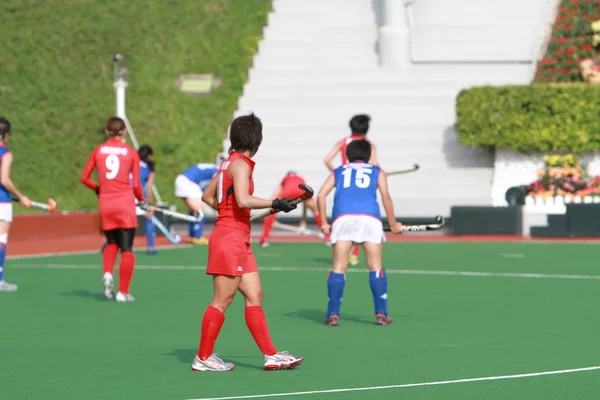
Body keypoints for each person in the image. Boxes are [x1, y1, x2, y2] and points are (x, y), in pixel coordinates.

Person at [191, 113, 304, 372]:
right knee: (223, 299)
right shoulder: (240, 165)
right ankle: (203, 357)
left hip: (239, 237)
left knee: (255, 295)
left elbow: (209, 196)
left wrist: (233, 214)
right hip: (229, 238)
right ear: (257, 141)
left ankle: (271, 355)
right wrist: (273, 203)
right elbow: (242, 199)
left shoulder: (228, 163)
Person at [317, 139, 402, 326]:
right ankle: (382, 314)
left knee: (339, 267)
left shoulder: (338, 171)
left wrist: (324, 222)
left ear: (347, 154)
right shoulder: (377, 171)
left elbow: (321, 194)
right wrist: (394, 223)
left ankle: (333, 314)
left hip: (342, 219)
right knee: (375, 267)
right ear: (368, 155)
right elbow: (386, 197)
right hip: (370, 219)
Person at [80, 116, 146, 303]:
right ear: (124, 132)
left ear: (107, 132)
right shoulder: (131, 153)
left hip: (105, 203)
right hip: (124, 204)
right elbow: (136, 186)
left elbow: (84, 178)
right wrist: (142, 201)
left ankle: (108, 274)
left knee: (111, 242)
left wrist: (98, 189)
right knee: (127, 248)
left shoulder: (98, 150)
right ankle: (122, 292)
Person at [323, 114, 379, 266]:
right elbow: (374, 164)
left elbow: (327, 159)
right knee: (361, 213)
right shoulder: (368, 145)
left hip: (345, 185)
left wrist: (337, 176)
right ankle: (354, 254)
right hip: (363, 186)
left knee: (344, 214)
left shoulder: (343, 142)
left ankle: (342, 252)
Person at [0, 118, 31, 292]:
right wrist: (21, 196)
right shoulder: (5, 153)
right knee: (1, 239)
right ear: (7, 136)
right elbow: (4, 179)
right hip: (2, 201)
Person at [259, 171, 324, 247]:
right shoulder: (301, 178)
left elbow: (274, 195)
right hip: (302, 192)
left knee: (271, 211)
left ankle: (264, 239)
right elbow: (305, 204)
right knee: (316, 211)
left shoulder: (285, 178)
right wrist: (303, 223)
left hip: (288, 192)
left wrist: (270, 211)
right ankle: (328, 237)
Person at [174, 157, 223, 245]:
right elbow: (218, 187)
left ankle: (192, 236)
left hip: (182, 180)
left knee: (194, 211)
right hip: (188, 182)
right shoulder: (218, 171)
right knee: (200, 211)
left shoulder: (213, 168)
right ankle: (197, 237)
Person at [137, 144, 157, 255]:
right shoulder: (149, 168)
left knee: (120, 222)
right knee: (150, 217)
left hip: (123, 195)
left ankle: (108, 243)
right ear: (149, 156)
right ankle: (150, 247)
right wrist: (149, 204)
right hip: (137, 196)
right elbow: (148, 188)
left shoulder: (130, 163)